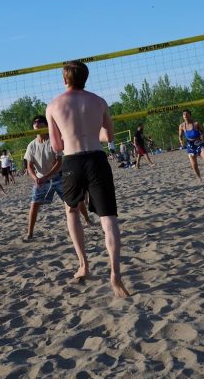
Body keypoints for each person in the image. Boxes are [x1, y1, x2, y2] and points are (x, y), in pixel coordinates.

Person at [46, 60, 129, 298]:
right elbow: (109, 135)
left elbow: (56, 146)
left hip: (72, 160)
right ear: (86, 78)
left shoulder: (53, 106)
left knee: (72, 211)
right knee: (108, 218)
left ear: (65, 80)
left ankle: (83, 263)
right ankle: (115, 274)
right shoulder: (99, 101)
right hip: (96, 158)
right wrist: (92, 133)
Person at [23, 115, 90, 241]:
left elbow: (59, 162)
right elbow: (29, 166)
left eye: (41, 121)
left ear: (46, 125)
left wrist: (46, 176)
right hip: (41, 180)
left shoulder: (53, 141)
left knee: (75, 201)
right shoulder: (31, 145)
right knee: (34, 205)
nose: (37, 123)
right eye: (35, 122)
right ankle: (30, 233)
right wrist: (35, 178)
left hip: (58, 177)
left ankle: (87, 219)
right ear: (32, 127)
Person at [178, 110, 204, 181]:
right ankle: (199, 178)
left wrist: (202, 136)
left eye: (186, 114)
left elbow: (202, 131)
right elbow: (180, 135)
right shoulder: (182, 126)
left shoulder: (196, 124)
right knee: (194, 165)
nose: (185, 115)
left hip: (199, 143)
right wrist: (181, 141)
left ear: (190, 115)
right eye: (183, 114)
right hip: (190, 145)